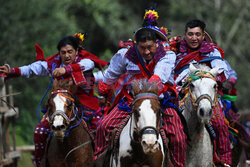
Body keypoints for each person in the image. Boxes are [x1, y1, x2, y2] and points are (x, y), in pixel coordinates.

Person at [94, 9, 186, 167]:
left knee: (178, 136)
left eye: (150, 47)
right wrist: (103, 91)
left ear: (157, 43)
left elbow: (157, 79)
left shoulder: (167, 55)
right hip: (131, 101)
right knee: (103, 125)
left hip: (161, 101)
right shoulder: (126, 55)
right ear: (137, 45)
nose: (147, 51)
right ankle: (98, 160)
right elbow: (110, 76)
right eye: (142, 48)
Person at [0, 33, 108, 167]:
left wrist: (65, 70)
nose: (67, 55)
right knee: (39, 132)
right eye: (63, 52)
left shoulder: (86, 60)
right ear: (59, 53)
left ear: (76, 51)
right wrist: (12, 71)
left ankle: (102, 161)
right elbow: (33, 69)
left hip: (86, 107)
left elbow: (85, 65)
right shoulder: (54, 63)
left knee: (103, 129)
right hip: (59, 106)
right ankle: (40, 163)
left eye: (70, 52)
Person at [173, 19, 232, 166]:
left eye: (198, 34)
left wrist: (207, 76)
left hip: (207, 94)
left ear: (203, 35)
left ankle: (225, 161)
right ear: (185, 35)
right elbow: (170, 74)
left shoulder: (213, 51)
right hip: (182, 93)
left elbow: (222, 70)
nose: (194, 38)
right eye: (191, 34)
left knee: (220, 124)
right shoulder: (175, 51)